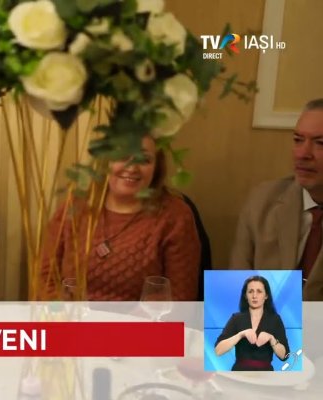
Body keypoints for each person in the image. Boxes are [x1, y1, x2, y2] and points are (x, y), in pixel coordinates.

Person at [42, 134, 201, 300]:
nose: (132, 168)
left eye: (144, 159)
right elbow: (44, 278)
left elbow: (180, 299)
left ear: (156, 167)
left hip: (140, 317)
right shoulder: (76, 205)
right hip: (71, 315)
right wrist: (60, 310)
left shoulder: (175, 216)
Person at [230, 99, 323, 301]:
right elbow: (236, 294)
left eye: (320, 143)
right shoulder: (261, 202)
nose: (303, 154)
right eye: (298, 140)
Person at [214, 275, 289, 371]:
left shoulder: (275, 319)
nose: (254, 296)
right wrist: (240, 335)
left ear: (266, 296)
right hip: (240, 373)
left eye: (259, 291)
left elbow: (285, 356)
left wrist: (272, 339)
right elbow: (218, 351)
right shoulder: (236, 318)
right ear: (246, 296)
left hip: (266, 374)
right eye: (250, 291)